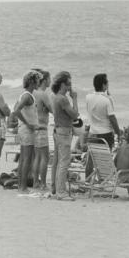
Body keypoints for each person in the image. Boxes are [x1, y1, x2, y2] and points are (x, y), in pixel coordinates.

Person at [10, 70, 42, 192]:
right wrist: (29, 124)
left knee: (23, 158)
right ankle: (23, 187)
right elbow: (17, 110)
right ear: (32, 82)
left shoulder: (24, 95)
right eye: (38, 80)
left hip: (23, 130)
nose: (39, 82)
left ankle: (20, 185)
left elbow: (15, 108)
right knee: (27, 159)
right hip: (27, 130)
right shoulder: (28, 96)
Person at [51, 71, 79, 200]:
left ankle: (58, 189)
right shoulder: (62, 98)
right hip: (63, 132)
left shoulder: (56, 96)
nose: (70, 87)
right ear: (63, 84)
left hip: (58, 131)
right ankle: (61, 192)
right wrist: (74, 98)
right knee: (64, 162)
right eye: (69, 84)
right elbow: (75, 115)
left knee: (59, 162)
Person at [86, 73, 121, 150]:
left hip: (92, 133)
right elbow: (112, 118)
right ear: (103, 85)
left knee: (95, 156)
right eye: (107, 83)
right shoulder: (106, 100)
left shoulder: (88, 97)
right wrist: (118, 133)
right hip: (105, 134)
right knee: (106, 156)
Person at [32, 69, 52, 190]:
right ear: (44, 81)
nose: (51, 81)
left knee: (37, 157)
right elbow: (53, 109)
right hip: (42, 127)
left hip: (34, 127)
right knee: (45, 157)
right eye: (49, 79)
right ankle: (43, 183)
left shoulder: (32, 93)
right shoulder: (43, 94)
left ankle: (35, 182)